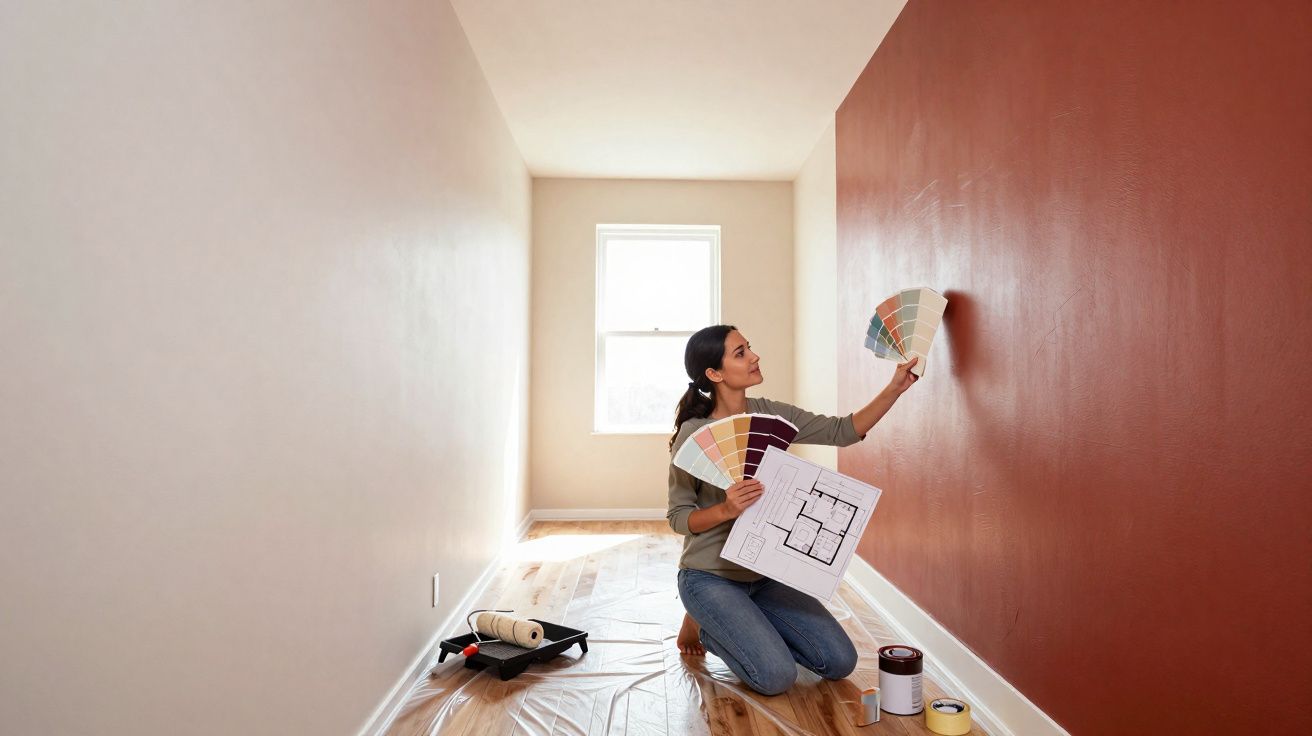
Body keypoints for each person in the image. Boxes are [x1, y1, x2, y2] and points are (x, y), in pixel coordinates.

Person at [667, 324, 919, 695]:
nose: (754, 356)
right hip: (709, 576)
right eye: (740, 353)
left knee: (840, 661)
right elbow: (678, 518)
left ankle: (741, 624)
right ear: (715, 374)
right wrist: (726, 509)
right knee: (776, 677)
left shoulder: (770, 415)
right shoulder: (694, 432)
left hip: (763, 573)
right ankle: (704, 623)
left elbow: (841, 431)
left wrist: (896, 386)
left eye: (749, 347)